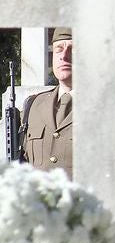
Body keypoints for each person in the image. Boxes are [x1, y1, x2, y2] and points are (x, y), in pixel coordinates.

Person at [21, 27, 75, 174]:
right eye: (59, 49)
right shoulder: (32, 106)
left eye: (73, 49)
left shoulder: (105, 109)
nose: (64, 56)